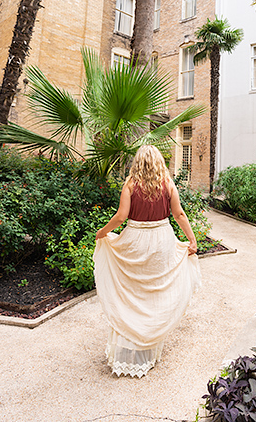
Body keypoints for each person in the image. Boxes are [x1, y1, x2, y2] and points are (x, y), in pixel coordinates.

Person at [93, 145, 201, 378]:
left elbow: (121, 217)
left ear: (138, 163)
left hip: (135, 240)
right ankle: (148, 350)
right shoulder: (168, 184)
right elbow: (179, 214)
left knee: (132, 294)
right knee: (154, 294)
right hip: (161, 240)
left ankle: (128, 349)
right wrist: (191, 240)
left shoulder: (131, 184)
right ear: (159, 162)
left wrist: (103, 232)